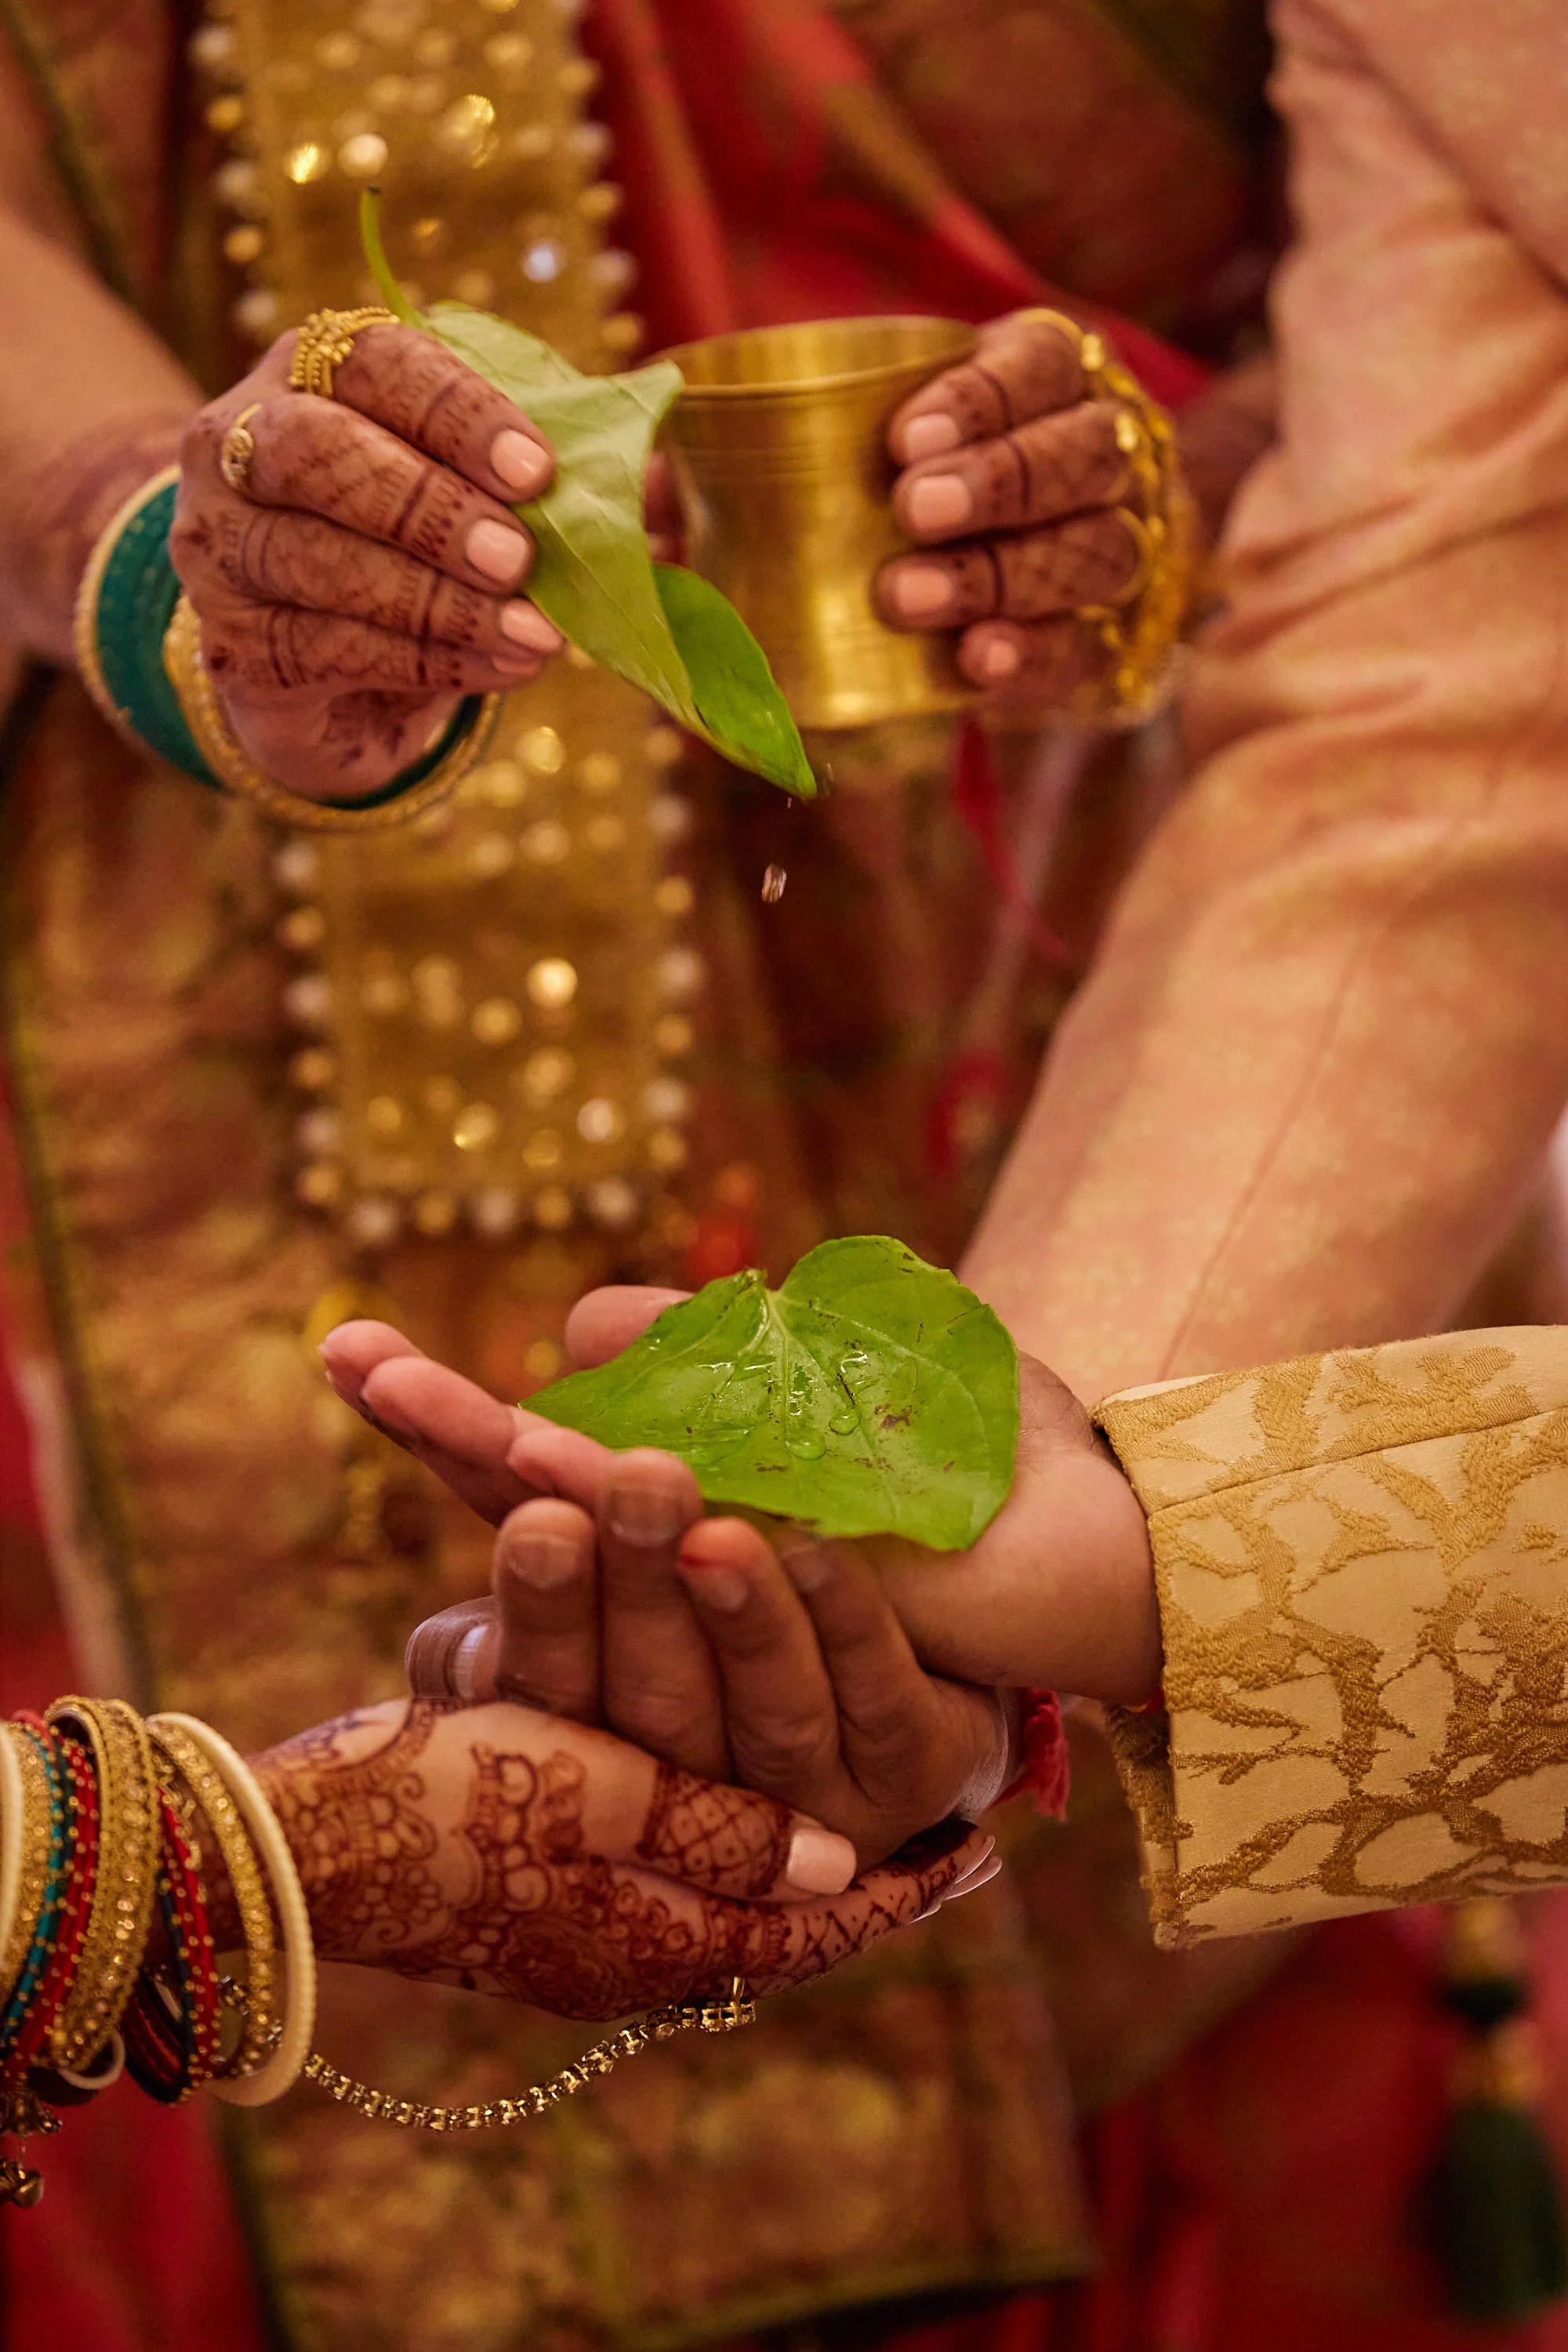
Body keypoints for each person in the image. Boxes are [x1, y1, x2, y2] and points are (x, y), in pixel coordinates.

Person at [0, 1, 1284, 2343]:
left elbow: (1427, 310)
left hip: (1121, 1012)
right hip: (164, 1125)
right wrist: (173, 563)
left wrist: (1165, 492)